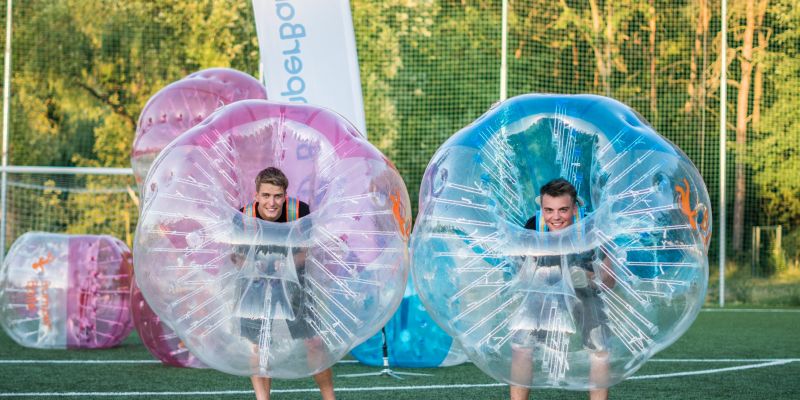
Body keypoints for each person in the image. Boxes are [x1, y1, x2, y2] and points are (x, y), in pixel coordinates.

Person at [509, 178, 614, 400]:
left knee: (600, 348)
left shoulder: (591, 229)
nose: (555, 217)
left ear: (575, 208)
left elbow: (610, 278)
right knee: (521, 345)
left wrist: (590, 278)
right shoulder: (532, 226)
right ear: (541, 208)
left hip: (584, 287)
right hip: (543, 285)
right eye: (549, 210)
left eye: (563, 210)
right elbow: (519, 273)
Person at [235, 167, 335, 400]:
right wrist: (254, 267)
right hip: (255, 282)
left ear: (285, 195)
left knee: (314, 342)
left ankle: (329, 397)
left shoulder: (300, 211)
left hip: (293, 280)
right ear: (257, 195)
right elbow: (237, 257)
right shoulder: (243, 216)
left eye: (278, 196)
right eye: (266, 196)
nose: (272, 202)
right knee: (259, 346)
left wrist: (287, 265)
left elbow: (307, 252)